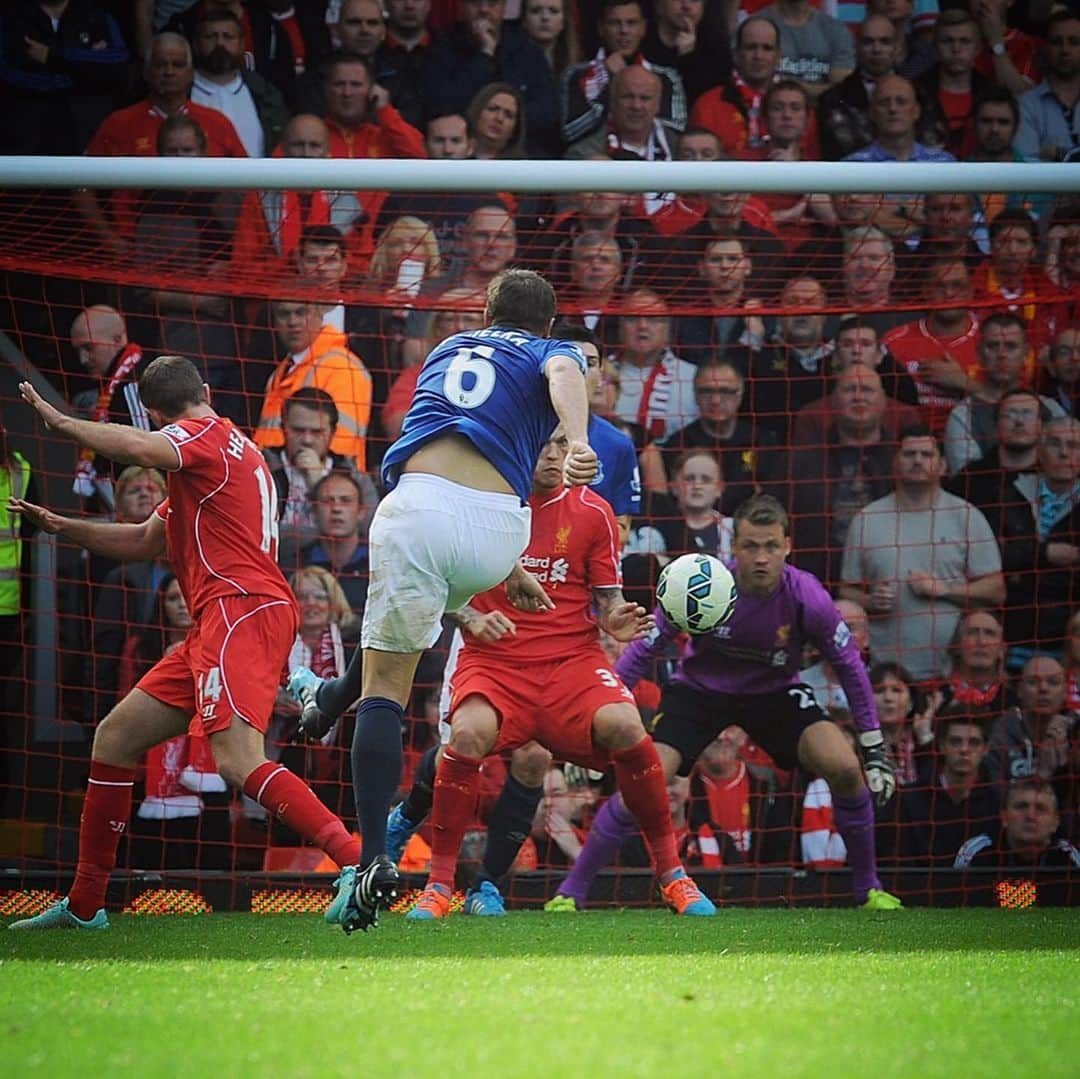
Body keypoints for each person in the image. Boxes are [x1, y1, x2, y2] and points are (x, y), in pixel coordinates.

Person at [286, 268, 598, 930]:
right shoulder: (550, 349)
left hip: (421, 514)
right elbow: (566, 375)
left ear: (485, 313)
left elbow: (537, 387)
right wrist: (577, 439)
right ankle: (325, 699)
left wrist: (576, 436)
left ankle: (372, 860)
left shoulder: (444, 349)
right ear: (547, 326)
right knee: (391, 645)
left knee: (387, 685)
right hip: (499, 531)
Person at [8, 354, 365, 932]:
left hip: (239, 610)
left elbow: (145, 450)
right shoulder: (211, 463)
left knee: (237, 759)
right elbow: (147, 541)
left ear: (153, 415)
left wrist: (63, 421)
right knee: (117, 737)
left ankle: (355, 862)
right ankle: (85, 904)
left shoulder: (202, 438)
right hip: (223, 619)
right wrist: (62, 526)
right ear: (203, 388)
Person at [389, 431, 714, 918]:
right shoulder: (483, 502)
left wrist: (616, 619)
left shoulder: (593, 511)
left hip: (572, 662)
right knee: (467, 735)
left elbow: (606, 599)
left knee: (627, 727)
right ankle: (438, 884)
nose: (552, 455)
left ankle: (672, 876)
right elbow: (435, 579)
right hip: (496, 659)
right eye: (542, 443)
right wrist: (472, 618)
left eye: (561, 444)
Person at [546, 494, 902, 911]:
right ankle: (570, 893)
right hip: (700, 692)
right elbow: (644, 651)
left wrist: (875, 748)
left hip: (774, 694)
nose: (761, 557)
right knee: (643, 781)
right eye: (751, 545)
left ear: (787, 546)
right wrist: (590, 721)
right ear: (734, 548)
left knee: (844, 766)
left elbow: (850, 667)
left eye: (771, 546)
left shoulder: (808, 596)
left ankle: (869, 889)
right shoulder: (706, 584)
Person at [839, 426, 1005, 682]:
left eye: (926, 454)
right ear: (895, 463)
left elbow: (996, 591)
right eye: (909, 454)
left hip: (952, 673)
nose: (917, 460)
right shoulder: (867, 519)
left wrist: (946, 590)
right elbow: (845, 592)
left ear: (943, 465)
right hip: (885, 675)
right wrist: (872, 601)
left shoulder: (967, 516)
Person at [253, 298, 374, 471]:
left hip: (323, 486)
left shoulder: (342, 368)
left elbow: (340, 447)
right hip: (279, 478)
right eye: (284, 314)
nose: (293, 322)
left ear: (320, 313)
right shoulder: (283, 371)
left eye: (301, 312)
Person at [560, 0, 685, 148]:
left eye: (631, 23)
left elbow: (676, 129)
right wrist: (611, 84)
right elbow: (570, 132)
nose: (624, 30)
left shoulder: (665, 77)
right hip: (594, 161)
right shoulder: (576, 75)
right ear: (601, 28)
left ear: (643, 28)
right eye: (614, 23)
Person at [895, 707, 999, 864]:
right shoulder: (908, 800)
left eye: (974, 743)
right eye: (956, 742)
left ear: (986, 749)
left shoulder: (997, 801)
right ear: (942, 746)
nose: (964, 750)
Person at [68, 305, 149, 505]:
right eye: (78, 350)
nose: (83, 359)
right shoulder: (116, 383)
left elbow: (145, 455)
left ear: (117, 340)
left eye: (88, 348)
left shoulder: (132, 383)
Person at [954, 777, 1080, 869]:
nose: (1030, 816)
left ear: (1055, 822)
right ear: (1004, 817)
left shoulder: (1068, 856)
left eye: (1040, 808)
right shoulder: (976, 852)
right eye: (1021, 807)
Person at [1015, 10, 1080, 162]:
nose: (1065, 50)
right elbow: (1028, 168)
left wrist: (1057, 155)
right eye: (1057, 42)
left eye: (1074, 42)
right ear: (1044, 47)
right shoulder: (1026, 105)